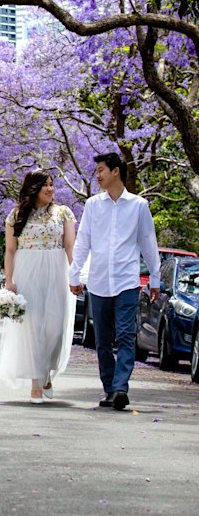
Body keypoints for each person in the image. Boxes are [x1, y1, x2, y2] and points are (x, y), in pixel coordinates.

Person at [69, 153, 161, 411]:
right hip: (98, 281)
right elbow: (83, 241)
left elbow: (147, 241)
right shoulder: (93, 205)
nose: (97, 176)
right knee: (103, 340)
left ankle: (121, 387)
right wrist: (74, 275)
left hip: (126, 281)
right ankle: (109, 388)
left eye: (101, 170)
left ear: (116, 172)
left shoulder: (139, 205)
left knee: (125, 335)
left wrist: (155, 277)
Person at [0, 169, 76, 403]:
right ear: (33, 188)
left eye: (52, 184)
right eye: (46, 185)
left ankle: (46, 371)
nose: (50, 189)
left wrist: (75, 276)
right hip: (27, 270)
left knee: (55, 327)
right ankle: (36, 382)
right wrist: (9, 280)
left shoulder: (63, 213)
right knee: (32, 326)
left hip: (56, 270)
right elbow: (10, 251)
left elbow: (70, 246)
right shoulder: (16, 215)